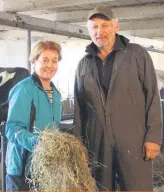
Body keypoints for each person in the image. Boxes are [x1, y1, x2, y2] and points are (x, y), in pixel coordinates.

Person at [73, 6, 162, 191]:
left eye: (105, 25)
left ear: (116, 26)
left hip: (133, 140)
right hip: (97, 143)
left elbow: (153, 96)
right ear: (89, 31)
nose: (100, 32)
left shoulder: (137, 54)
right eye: (94, 27)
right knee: (101, 189)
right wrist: (78, 147)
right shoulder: (83, 64)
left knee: (137, 187)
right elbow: (79, 110)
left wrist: (153, 137)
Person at [5, 40, 62, 191]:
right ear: (34, 62)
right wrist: (38, 143)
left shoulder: (56, 95)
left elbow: (53, 129)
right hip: (22, 168)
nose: (50, 65)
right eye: (45, 60)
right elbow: (12, 128)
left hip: (44, 169)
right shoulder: (24, 89)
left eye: (54, 61)